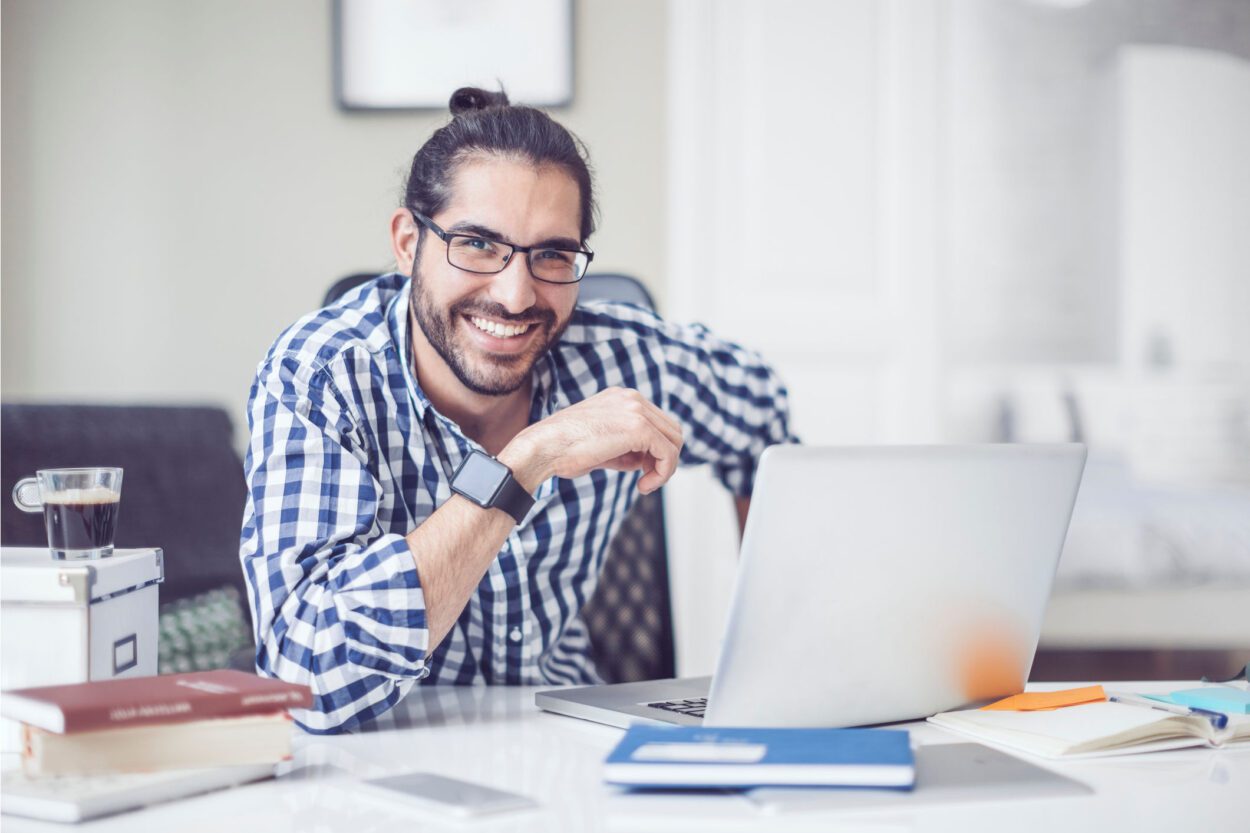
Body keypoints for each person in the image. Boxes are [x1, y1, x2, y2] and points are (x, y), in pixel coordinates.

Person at [239, 87, 797, 733]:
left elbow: (762, 413)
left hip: (568, 740)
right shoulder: (319, 378)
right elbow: (302, 676)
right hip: (378, 750)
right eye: (477, 243)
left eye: (552, 255)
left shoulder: (628, 359)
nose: (515, 294)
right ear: (406, 242)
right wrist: (527, 459)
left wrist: (774, 659)